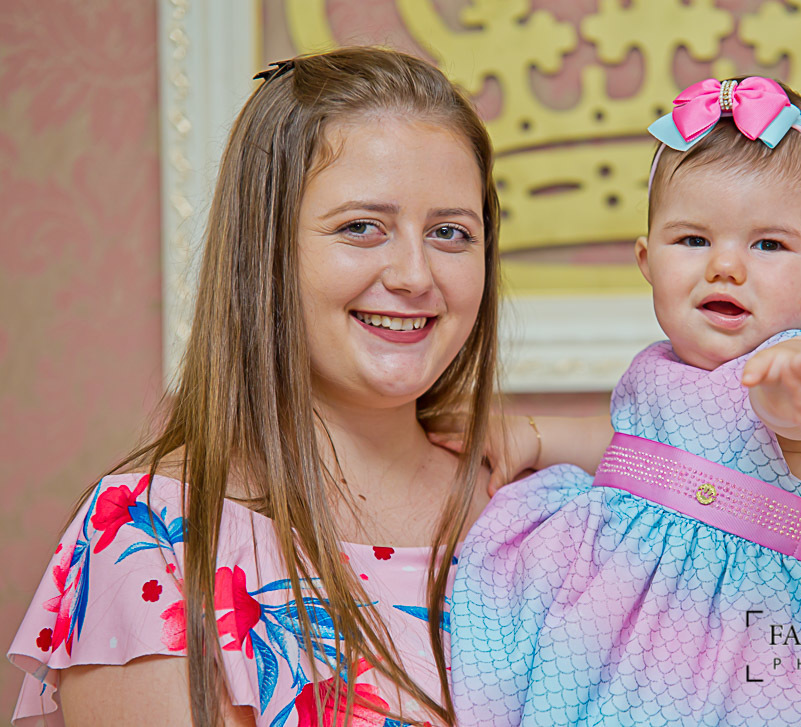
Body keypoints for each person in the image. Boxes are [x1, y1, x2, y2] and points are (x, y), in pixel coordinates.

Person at [7, 46, 501, 727]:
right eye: (362, 227)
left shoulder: (536, 512)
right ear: (265, 250)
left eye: (450, 232)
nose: (415, 275)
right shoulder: (149, 535)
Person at [448, 77, 801, 726]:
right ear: (647, 260)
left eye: (768, 245)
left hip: (756, 636)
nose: (725, 267)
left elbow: (794, 423)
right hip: (635, 622)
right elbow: (635, 454)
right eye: (693, 240)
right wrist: (536, 436)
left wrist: (790, 392)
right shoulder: (658, 366)